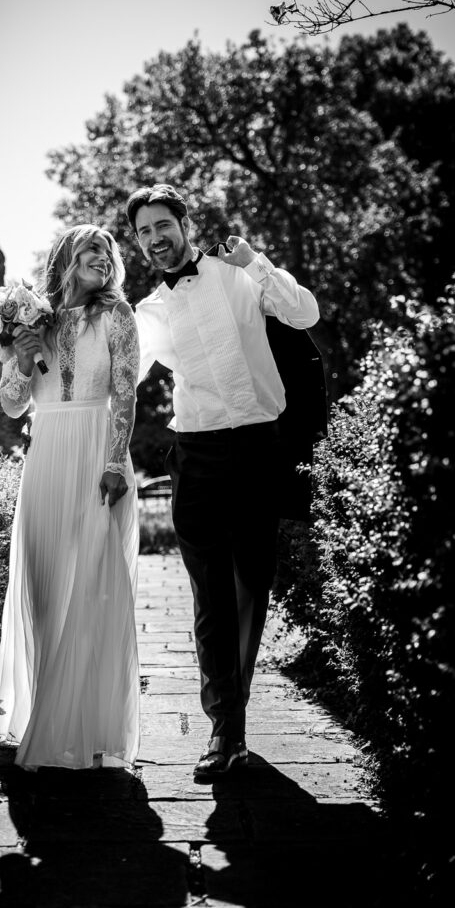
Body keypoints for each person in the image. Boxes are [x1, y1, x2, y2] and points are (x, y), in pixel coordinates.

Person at [128, 183, 320, 783]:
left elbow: (304, 312)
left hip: (258, 447)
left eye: (163, 225)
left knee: (249, 587)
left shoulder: (239, 276)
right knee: (209, 596)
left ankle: (229, 719)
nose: (155, 239)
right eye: (143, 232)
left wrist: (256, 263)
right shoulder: (150, 313)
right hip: (198, 453)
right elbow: (113, 375)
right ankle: (225, 729)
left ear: (184, 223)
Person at [0, 225, 141, 771]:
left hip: (98, 454)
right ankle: (44, 719)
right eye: (89, 249)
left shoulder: (117, 316)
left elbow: (125, 391)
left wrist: (113, 463)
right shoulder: (35, 322)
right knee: (44, 582)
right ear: (65, 261)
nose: (101, 257)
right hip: (48, 454)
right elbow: (10, 405)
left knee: (94, 588)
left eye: (107, 250)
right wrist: (25, 359)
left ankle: (91, 731)